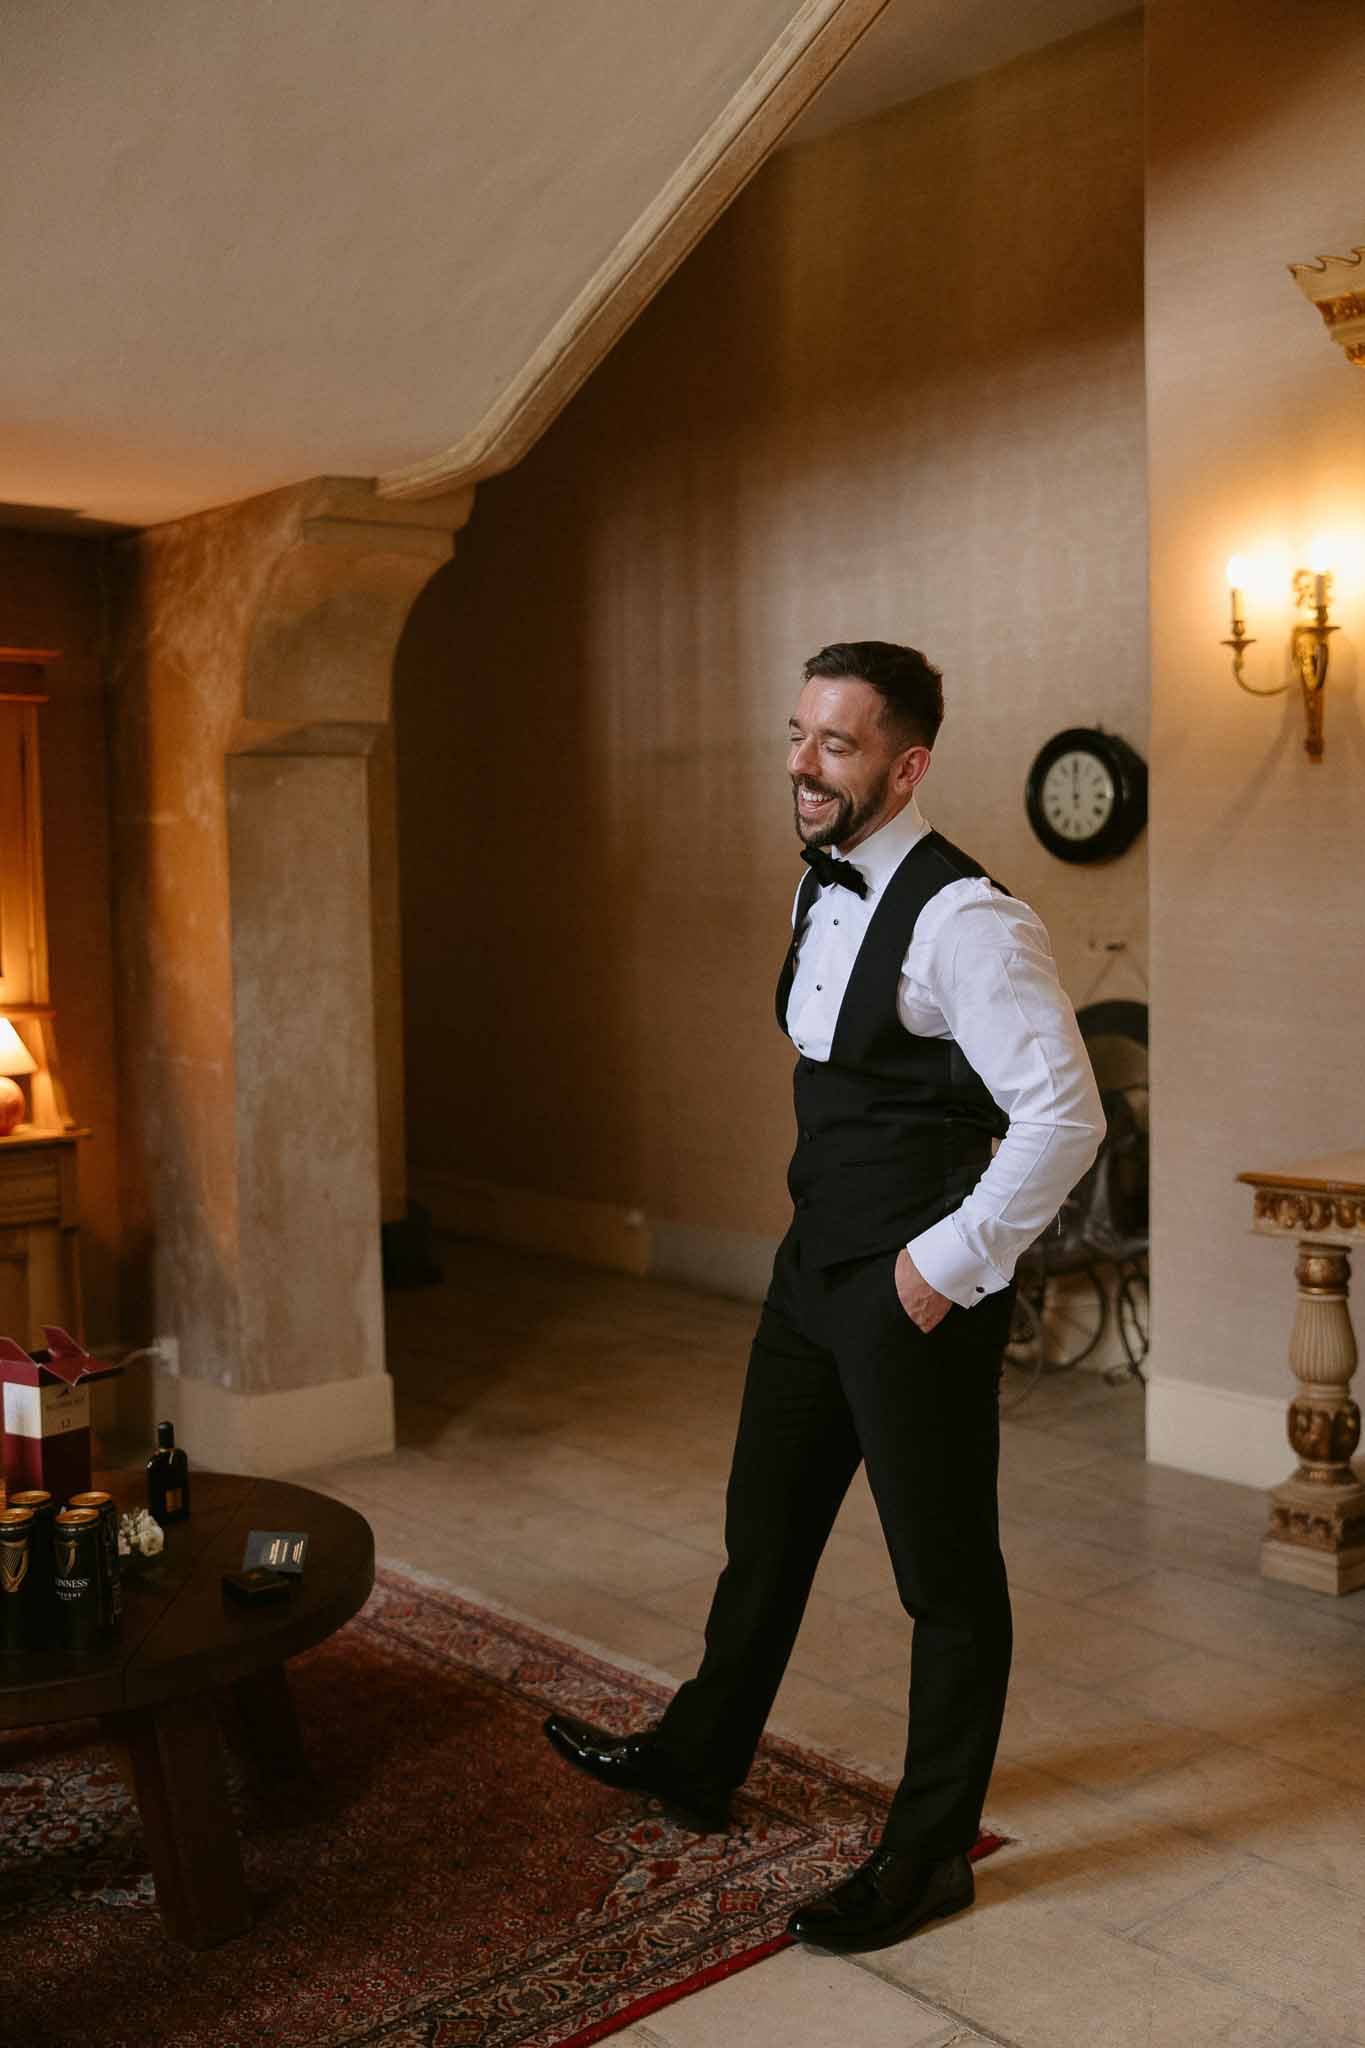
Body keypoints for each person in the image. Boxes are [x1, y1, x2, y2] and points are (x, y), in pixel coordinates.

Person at [544, 640, 1105, 1953]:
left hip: (913, 1290)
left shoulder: (970, 922)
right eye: (796, 734)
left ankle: (930, 1853)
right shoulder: (821, 879)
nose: (802, 764)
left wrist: (941, 1268)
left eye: (836, 745)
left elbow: (1064, 1116)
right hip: (812, 1270)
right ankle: (700, 1756)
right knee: (767, 1529)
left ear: (905, 767)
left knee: (944, 1582)